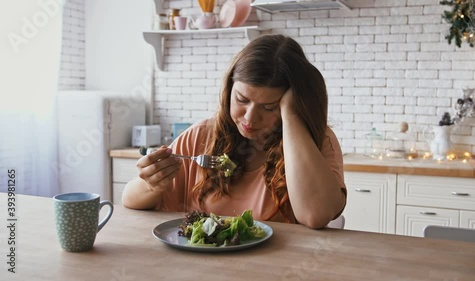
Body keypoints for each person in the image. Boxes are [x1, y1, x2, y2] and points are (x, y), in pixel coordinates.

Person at [122, 34, 347, 229]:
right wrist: (151, 183)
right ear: (229, 89)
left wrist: (291, 115)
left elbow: (315, 215)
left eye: (269, 107)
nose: (250, 118)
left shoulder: (318, 141)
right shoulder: (200, 137)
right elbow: (129, 199)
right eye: (241, 99)